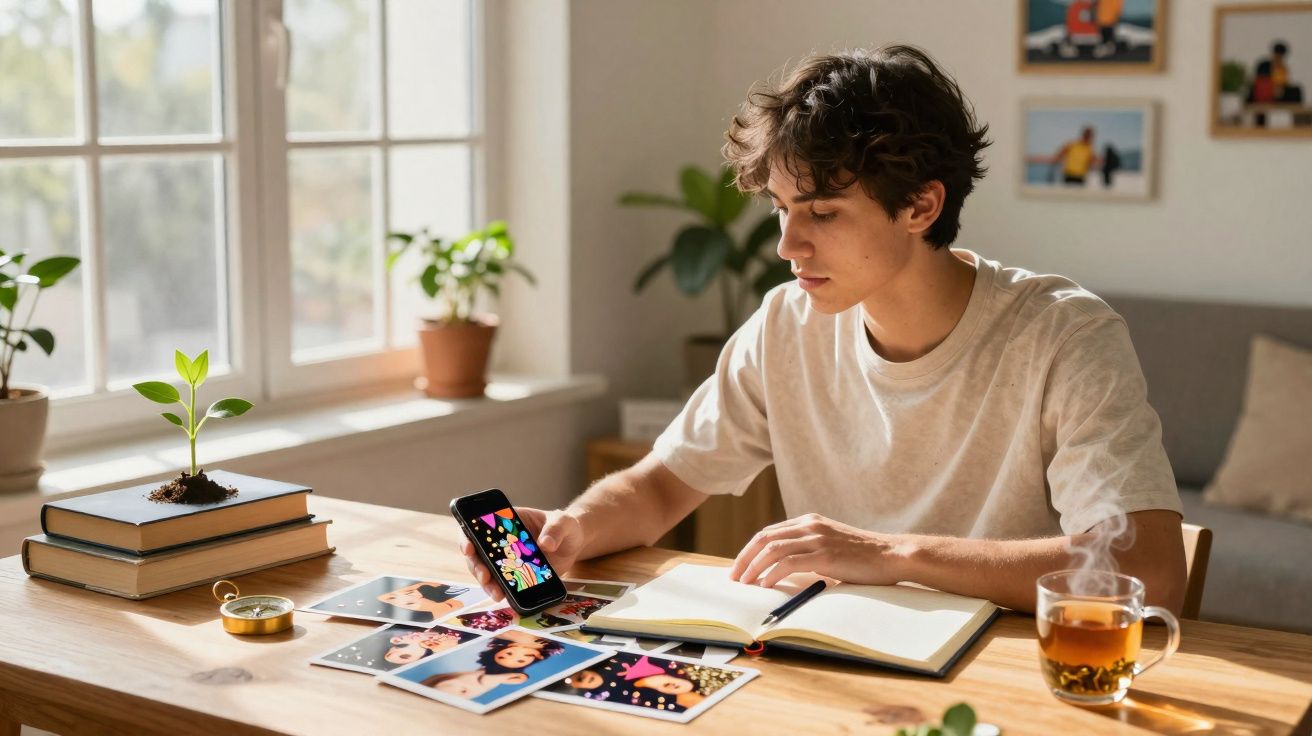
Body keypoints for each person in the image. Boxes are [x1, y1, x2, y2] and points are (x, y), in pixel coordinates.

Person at [460, 45, 1186, 615]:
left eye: (823, 212)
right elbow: (658, 489)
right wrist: (571, 530)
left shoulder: (1065, 335)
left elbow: (1148, 572)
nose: (787, 245)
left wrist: (890, 554)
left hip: (1000, 680)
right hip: (829, 665)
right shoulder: (787, 323)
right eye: (781, 208)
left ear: (921, 206)